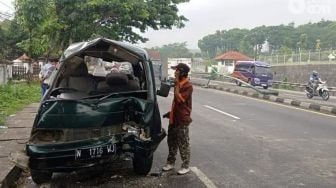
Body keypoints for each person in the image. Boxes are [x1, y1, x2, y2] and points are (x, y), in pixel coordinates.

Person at [162, 63, 193, 175]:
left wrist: (176, 84)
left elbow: (180, 100)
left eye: (177, 71)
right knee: (171, 142)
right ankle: (170, 163)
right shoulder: (178, 84)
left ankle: (185, 166)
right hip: (174, 118)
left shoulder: (188, 86)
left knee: (183, 143)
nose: (175, 73)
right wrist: (170, 114)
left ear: (182, 72)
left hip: (182, 120)